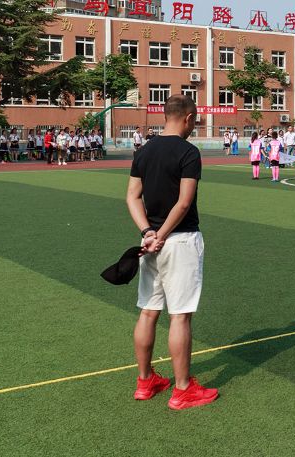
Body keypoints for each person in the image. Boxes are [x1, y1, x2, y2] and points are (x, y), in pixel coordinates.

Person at [126, 95, 217, 410]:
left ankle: (145, 381)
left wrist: (147, 233)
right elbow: (184, 202)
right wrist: (161, 235)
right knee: (180, 315)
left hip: (150, 243)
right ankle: (182, 389)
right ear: (189, 118)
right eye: (196, 120)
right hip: (179, 241)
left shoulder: (144, 150)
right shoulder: (188, 152)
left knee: (148, 311)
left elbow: (132, 197)